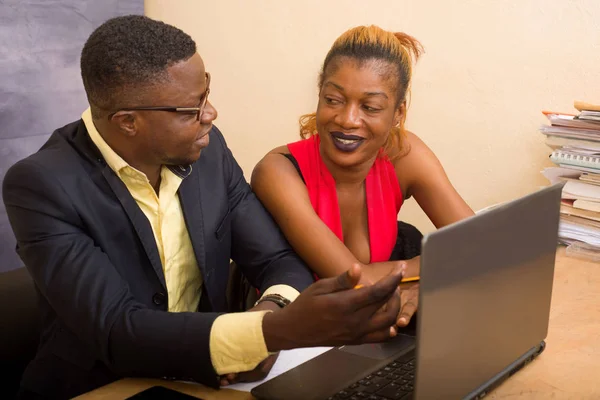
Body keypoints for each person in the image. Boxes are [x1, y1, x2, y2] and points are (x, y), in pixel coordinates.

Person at [2, 16, 405, 399]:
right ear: (128, 122)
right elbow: (117, 330)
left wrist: (269, 314)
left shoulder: (209, 155)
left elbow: (277, 259)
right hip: (95, 388)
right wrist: (267, 334)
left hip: (206, 382)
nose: (210, 114)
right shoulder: (41, 185)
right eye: (192, 108)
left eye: (206, 93)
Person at [251, 25, 475, 329]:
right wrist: (424, 271)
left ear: (397, 113)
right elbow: (351, 280)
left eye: (370, 107)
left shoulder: (404, 155)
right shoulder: (279, 171)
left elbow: (478, 246)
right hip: (296, 340)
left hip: (372, 332)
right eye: (333, 100)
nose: (347, 119)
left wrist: (421, 281)